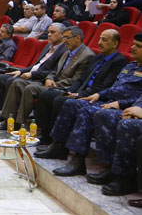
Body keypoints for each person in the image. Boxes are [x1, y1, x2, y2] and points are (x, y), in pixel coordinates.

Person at [35, 33, 142, 170]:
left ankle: (87, 161)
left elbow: (138, 95)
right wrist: (99, 94)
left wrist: (121, 104)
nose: (132, 48)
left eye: (138, 46)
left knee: (88, 111)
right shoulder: (130, 66)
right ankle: (59, 146)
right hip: (108, 100)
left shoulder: (121, 62)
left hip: (126, 107)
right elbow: (115, 88)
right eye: (133, 44)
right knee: (71, 103)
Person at [33, 29, 127, 146]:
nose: (99, 42)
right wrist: (69, 91)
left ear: (115, 44)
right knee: (46, 94)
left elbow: (105, 86)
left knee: (60, 100)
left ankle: (57, 142)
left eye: (104, 40)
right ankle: (45, 135)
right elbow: (81, 79)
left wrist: (79, 95)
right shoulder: (97, 57)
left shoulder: (119, 61)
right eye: (99, 39)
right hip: (79, 91)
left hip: (93, 96)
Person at [0, 25, 93, 130]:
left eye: (67, 37)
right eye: (64, 37)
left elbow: (76, 80)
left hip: (61, 86)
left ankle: (18, 123)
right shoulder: (68, 51)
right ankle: (7, 119)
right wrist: (49, 78)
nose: (65, 40)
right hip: (49, 81)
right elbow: (55, 71)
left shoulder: (86, 55)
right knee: (17, 83)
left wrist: (54, 83)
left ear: (77, 38)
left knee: (30, 88)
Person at [0, 23, 67, 116]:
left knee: (11, 81)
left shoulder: (64, 51)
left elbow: (54, 72)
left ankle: (9, 114)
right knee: (0, 78)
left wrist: (31, 74)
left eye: (53, 32)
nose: (49, 35)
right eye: (49, 32)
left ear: (62, 34)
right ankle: (3, 111)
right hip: (31, 72)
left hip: (40, 78)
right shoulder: (48, 46)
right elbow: (36, 65)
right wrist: (20, 71)